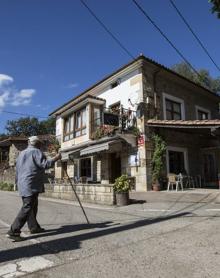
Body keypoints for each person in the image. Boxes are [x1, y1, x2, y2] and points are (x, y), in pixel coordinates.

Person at [7, 136, 61, 241]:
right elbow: (45, 165)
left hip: (23, 184)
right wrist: (56, 158)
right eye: (40, 144)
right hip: (30, 184)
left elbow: (17, 171)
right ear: (36, 144)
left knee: (32, 206)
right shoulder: (36, 152)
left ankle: (34, 227)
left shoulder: (21, 153)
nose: (41, 145)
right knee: (28, 207)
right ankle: (14, 231)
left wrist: (16, 183)